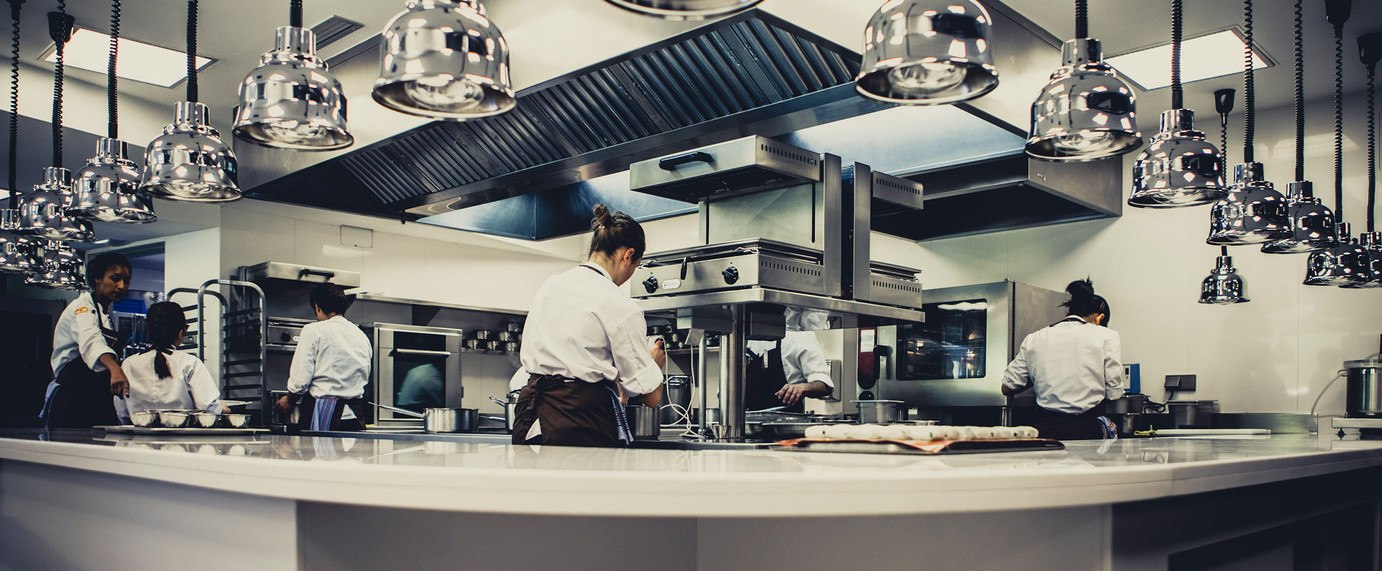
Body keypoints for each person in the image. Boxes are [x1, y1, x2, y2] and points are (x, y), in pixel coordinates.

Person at [511, 204, 666, 447]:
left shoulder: (551, 285)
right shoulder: (620, 305)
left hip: (530, 413)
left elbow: (576, 360)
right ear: (627, 255)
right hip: (576, 420)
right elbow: (651, 397)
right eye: (635, 267)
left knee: (532, 473)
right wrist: (653, 363)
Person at [1001, 279, 1123, 440]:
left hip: (1046, 429)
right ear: (1099, 319)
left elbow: (1007, 387)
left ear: (1068, 313)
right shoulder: (1106, 336)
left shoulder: (1035, 338)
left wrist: (1038, 374)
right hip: (1087, 430)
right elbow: (1114, 393)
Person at [40, 252, 132, 428]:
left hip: (97, 397)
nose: (122, 286)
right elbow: (91, 340)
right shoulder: (81, 307)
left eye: (126, 281)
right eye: (115, 279)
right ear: (97, 278)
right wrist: (115, 369)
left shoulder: (104, 315)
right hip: (72, 399)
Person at [275, 283, 372, 431]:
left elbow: (301, 379)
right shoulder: (360, 335)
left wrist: (289, 399)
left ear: (317, 307)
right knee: (354, 448)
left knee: (318, 447)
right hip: (354, 415)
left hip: (324, 412)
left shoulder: (313, 330)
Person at [114, 302, 226, 421]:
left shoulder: (128, 364)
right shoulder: (189, 363)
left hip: (138, 431)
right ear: (181, 332)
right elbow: (208, 409)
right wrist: (222, 409)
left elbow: (122, 412)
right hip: (181, 432)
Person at [744, 308, 834, 413]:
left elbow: (824, 385)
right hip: (746, 419)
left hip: (785, 419)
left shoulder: (799, 337)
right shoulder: (745, 337)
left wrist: (802, 387)